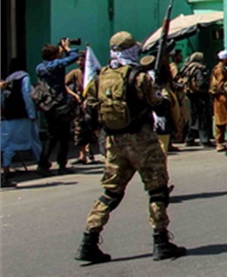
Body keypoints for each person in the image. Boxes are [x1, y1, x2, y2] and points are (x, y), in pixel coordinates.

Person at [76, 31, 185, 263]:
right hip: (142, 142)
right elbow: (159, 106)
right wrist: (162, 93)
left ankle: (88, 240)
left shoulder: (100, 77)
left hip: (114, 143)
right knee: (157, 190)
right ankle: (161, 241)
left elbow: (89, 109)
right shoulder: (139, 77)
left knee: (111, 193)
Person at [36, 39, 81, 175]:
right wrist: (67, 48)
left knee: (51, 135)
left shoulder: (40, 67)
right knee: (63, 136)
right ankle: (61, 165)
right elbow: (73, 57)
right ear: (52, 55)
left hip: (48, 104)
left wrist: (59, 52)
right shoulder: (55, 65)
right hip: (60, 104)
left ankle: (43, 164)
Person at [1, 66, 41, 187]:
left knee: (7, 145)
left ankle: (6, 173)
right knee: (29, 140)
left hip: (8, 117)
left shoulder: (7, 82)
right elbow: (27, 96)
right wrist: (31, 113)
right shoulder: (23, 78)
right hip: (20, 116)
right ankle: (41, 163)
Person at [179, 52, 213, 148]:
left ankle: (189, 139)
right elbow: (201, 82)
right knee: (202, 118)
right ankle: (204, 140)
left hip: (191, 95)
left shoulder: (188, 68)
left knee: (193, 117)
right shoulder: (199, 69)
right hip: (200, 96)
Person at [210, 51, 227, 157]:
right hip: (222, 98)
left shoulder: (218, 68)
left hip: (219, 97)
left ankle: (220, 142)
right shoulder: (220, 70)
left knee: (221, 120)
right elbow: (221, 84)